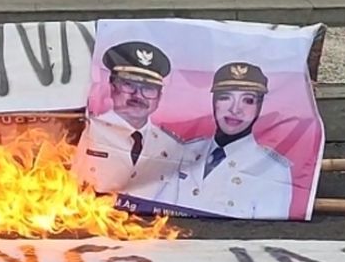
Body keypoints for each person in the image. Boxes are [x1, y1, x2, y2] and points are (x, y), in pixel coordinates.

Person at [170, 62, 294, 219]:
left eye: (248, 100)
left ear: (260, 106)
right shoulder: (184, 152)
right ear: (214, 102)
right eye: (225, 97)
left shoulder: (273, 169)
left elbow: (269, 232)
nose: (235, 109)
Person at [75, 41, 185, 199]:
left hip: (152, 223)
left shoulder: (171, 146)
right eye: (128, 84)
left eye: (148, 88)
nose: (138, 95)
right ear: (112, 88)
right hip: (93, 219)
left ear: (159, 97)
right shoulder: (86, 131)